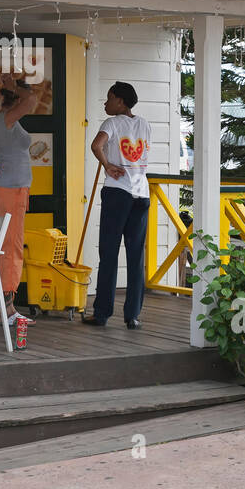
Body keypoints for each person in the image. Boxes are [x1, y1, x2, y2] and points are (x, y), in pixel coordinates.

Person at [83, 81, 152, 329]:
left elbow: (96, 145)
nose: (106, 102)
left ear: (121, 101)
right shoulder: (144, 124)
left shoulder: (111, 123)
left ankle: (101, 313)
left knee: (109, 253)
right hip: (141, 193)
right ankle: (132, 315)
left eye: (109, 98)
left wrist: (107, 165)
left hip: (117, 192)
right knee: (136, 255)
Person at [0, 79, 38, 328]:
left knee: (2, 247)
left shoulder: (5, 121)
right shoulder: (5, 119)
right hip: (11, 192)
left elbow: (30, 101)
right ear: (15, 100)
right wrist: (19, 89)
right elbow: (32, 100)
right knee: (11, 250)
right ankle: (9, 309)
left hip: (13, 191)